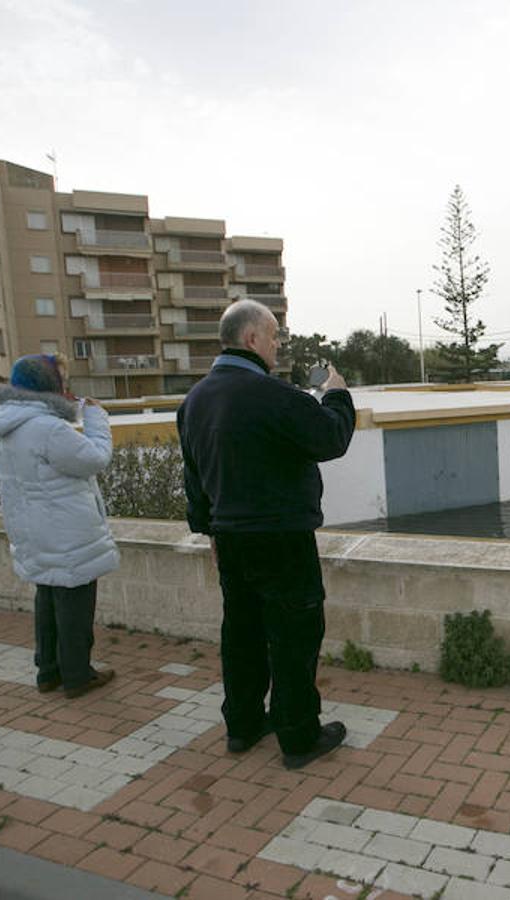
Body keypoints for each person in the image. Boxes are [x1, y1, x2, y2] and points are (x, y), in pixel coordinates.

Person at [176, 300, 356, 770]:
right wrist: (336, 392)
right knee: (294, 634)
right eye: (273, 337)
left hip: (231, 540)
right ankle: (298, 737)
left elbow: (194, 477)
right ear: (252, 339)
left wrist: (208, 531)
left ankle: (243, 725)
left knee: (242, 634)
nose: (277, 346)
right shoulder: (271, 394)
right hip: (281, 538)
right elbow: (331, 438)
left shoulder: (194, 401)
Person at [0, 353, 118, 699]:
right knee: (74, 601)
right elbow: (95, 458)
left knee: (47, 597)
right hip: (65, 532)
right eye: (62, 381)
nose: (66, 387)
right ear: (48, 386)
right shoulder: (47, 428)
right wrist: (96, 416)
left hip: (32, 531)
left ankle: (48, 671)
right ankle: (77, 675)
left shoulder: (5, 427)